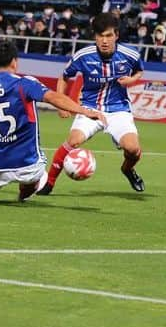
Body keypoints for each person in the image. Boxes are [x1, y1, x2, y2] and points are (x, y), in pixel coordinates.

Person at [0, 41, 107, 206]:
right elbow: (53, 97)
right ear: (14, 61)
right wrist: (84, 111)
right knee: (39, 175)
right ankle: (25, 192)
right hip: (28, 164)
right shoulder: (24, 84)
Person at [40, 12, 146, 196]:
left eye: (108, 35)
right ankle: (49, 183)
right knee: (73, 141)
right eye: (100, 36)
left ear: (116, 35)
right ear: (95, 37)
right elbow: (65, 77)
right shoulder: (83, 56)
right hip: (89, 108)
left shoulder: (130, 55)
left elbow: (139, 71)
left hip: (118, 109)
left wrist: (132, 80)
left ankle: (127, 169)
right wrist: (61, 103)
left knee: (133, 149)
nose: (104, 41)